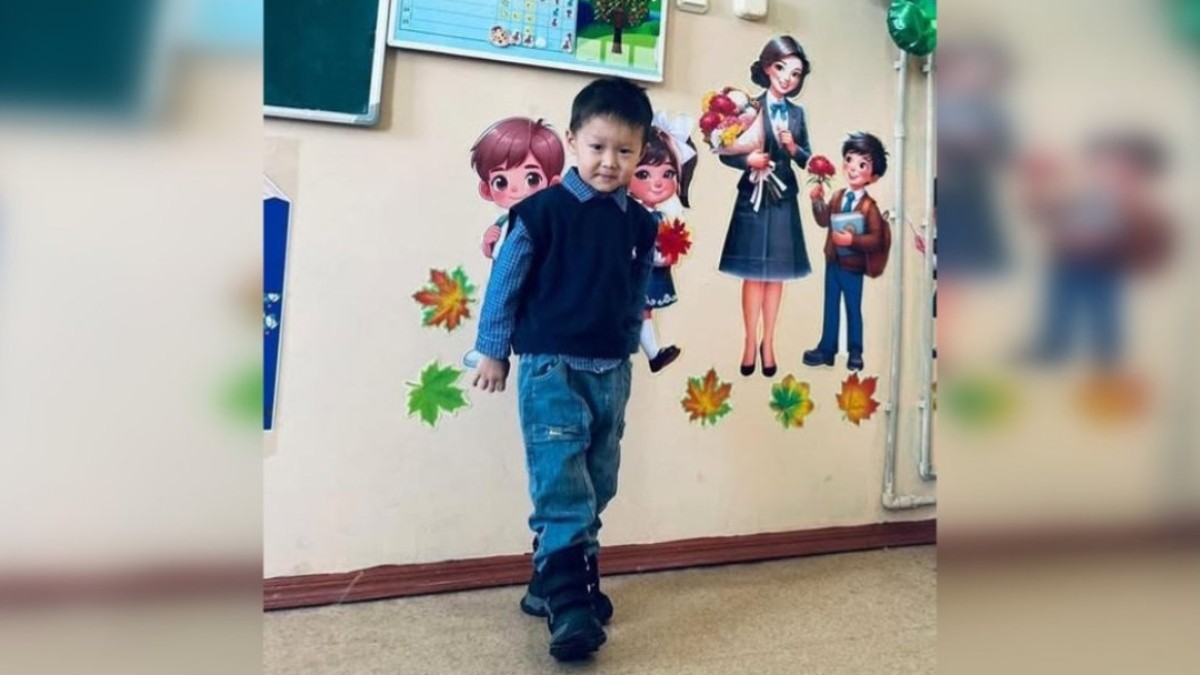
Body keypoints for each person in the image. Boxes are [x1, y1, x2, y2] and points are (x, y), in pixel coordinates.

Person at [471, 76, 656, 662]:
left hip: (611, 369)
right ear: (573, 140)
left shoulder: (640, 223)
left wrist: (633, 344)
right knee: (562, 482)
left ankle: (549, 579)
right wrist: (493, 350)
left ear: (641, 152)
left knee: (599, 479)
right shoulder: (540, 213)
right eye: (598, 147)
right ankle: (570, 603)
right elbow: (505, 283)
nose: (609, 162)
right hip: (551, 367)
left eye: (625, 151)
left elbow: (635, 292)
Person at [717, 35, 814, 378]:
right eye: (781, 68)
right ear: (767, 67)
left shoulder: (797, 114)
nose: (788, 78)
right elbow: (724, 150)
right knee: (753, 274)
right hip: (753, 196)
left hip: (783, 196)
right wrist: (748, 160)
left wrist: (793, 148)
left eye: (796, 73)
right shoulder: (748, 108)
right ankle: (749, 341)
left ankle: (768, 342)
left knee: (777, 275)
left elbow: (807, 158)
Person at [462, 117, 565, 369]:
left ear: (553, 185)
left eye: (532, 179)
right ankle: (489, 349)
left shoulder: (544, 224)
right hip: (501, 275)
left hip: (531, 288)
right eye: (502, 181)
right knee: (495, 303)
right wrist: (489, 241)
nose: (517, 190)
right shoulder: (504, 221)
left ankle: (495, 349)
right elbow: (493, 250)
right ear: (487, 189)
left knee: (514, 309)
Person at [804, 132, 890, 372]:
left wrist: (852, 239)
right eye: (850, 160)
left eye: (862, 165)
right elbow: (824, 221)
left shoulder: (869, 207)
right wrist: (817, 202)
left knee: (853, 307)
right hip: (833, 260)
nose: (853, 168)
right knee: (830, 305)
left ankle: (855, 351)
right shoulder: (838, 196)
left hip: (853, 266)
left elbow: (875, 239)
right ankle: (827, 349)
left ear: (872, 177)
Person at [628, 113, 698, 373]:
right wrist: (656, 256)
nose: (657, 183)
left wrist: (671, 251)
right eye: (644, 174)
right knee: (637, 309)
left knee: (643, 310)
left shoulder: (662, 214)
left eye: (667, 173)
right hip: (632, 274)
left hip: (649, 273)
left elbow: (673, 240)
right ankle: (653, 353)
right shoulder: (629, 214)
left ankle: (654, 353)